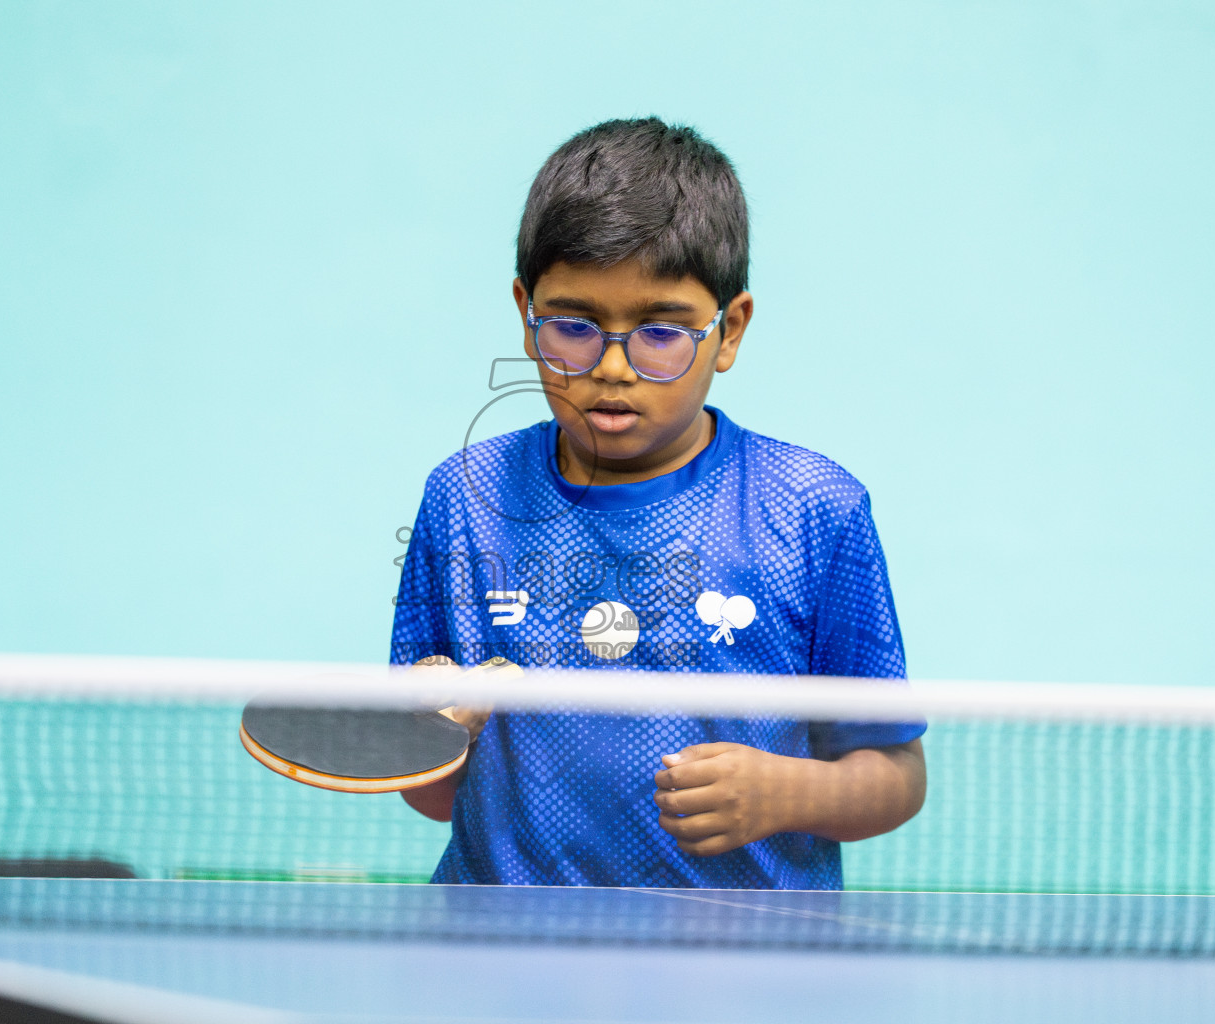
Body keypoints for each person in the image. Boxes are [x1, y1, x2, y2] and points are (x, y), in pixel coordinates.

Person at [389, 117, 926, 888]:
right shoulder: (465, 497)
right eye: (572, 326)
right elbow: (433, 799)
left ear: (729, 329)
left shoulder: (814, 508)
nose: (612, 367)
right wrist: (430, 734)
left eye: (661, 332)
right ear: (524, 310)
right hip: (503, 960)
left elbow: (898, 775)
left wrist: (785, 791)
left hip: (739, 972)